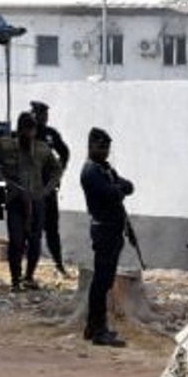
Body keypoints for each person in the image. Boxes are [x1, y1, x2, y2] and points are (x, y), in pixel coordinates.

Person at [0, 112, 59, 290]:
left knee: (35, 241)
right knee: (16, 241)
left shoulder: (42, 149)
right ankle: (16, 280)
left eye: (32, 130)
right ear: (19, 130)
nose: (29, 134)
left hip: (36, 202)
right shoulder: (6, 146)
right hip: (15, 201)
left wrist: (46, 190)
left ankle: (29, 277)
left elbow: (56, 170)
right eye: (25, 130)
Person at [80, 127, 134, 347]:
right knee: (101, 282)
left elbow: (129, 187)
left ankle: (94, 327)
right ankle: (97, 330)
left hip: (113, 230)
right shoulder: (91, 171)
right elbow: (113, 194)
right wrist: (117, 188)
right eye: (100, 147)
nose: (105, 151)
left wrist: (117, 187)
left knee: (105, 281)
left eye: (107, 148)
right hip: (104, 231)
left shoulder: (105, 169)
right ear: (91, 146)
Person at [30, 101, 71, 276]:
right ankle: (29, 272)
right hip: (30, 190)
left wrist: (58, 172)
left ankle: (59, 264)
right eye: (41, 114)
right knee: (33, 230)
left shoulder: (50, 134)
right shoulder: (25, 133)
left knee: (52, 229)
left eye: (45, 114)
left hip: (48, 189)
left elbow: (64, 152)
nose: (44, 118)